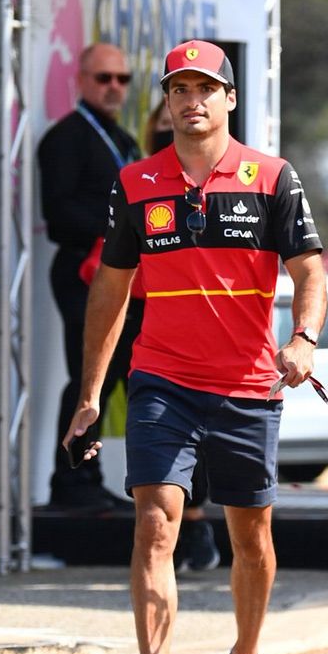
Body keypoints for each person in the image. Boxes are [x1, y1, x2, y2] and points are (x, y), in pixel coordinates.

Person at [64, 39, 326, 654]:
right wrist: (91, 391)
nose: (191, 100)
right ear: (167, 101)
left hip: (247, 385)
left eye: (205, 88)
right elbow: (110, 291)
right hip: (162, 381)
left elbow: (309, 272)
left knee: (252, 536)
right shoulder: (136, 181)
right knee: (154, 525)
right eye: (179, 88)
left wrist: (303, 339)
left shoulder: (273, 178)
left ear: (229, 99)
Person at [39, 43, 142, 511]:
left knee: (115, 372)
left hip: (122, 275)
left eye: (122, 78)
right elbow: (58, 213)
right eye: (104, 78)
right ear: (80, 80)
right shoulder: (65, 138)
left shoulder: (122, 139)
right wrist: (118, 231)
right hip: (82, 271)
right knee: (88, 378)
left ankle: (89, 476)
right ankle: (71, 483)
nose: (114, 87)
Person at [143, 96, 221, 573]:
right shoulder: (139, 181)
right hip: (148, 333)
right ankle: (172, 540)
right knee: (157, 482)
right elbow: (112, 271)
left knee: (208, 442)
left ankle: (198, 528)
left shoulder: (237, 181)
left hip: (213, 345)